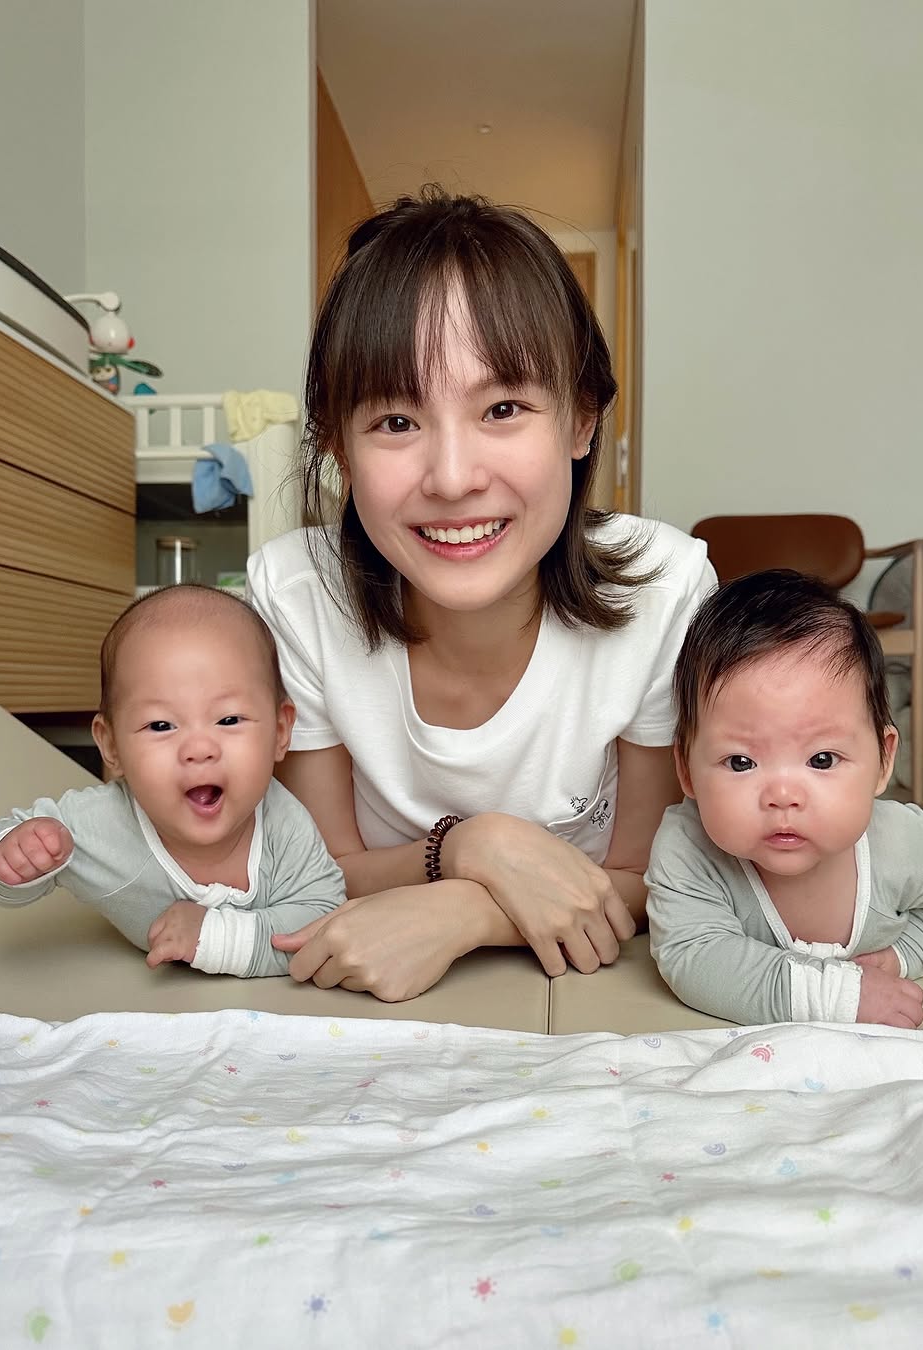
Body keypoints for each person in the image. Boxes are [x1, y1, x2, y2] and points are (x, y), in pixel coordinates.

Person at [247, 186, 716, 1002]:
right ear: (340, 448)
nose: (453, 478)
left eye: (502, 408)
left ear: (580, 420)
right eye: (397, 422)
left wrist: (467, 910)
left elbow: (653, 876)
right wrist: (470, 846)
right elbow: (318, 872)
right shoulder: (298, 598)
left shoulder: (663, 591)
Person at [646, 570, 923, 1028]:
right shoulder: (688, 849)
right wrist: (836, 997)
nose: (783, 796)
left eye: (822, 760)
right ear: (686, 769)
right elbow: (694, 957)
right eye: (741, 762)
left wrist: (908, 952)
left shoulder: (904, 844)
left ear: (883, 761)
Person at [0, 585, 345, 977]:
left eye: (229, 719)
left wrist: (213, 938)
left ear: (281, 731)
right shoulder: (101, 825)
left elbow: (323, 922)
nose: (199, 749)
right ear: (111, 745)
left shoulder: (284, 825)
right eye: (161, 725)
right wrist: (12, 859)